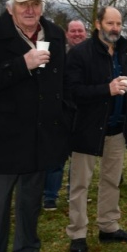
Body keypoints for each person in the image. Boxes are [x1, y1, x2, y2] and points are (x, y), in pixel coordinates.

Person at [0, 0, 68, 252]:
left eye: (36, 4)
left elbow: (59, 84)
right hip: (1, 140)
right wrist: (21, 64)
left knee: (30, 204)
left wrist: (62, 121)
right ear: (9, 6)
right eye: (23, 4)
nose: (30, 10)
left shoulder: (53, 33)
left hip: (40, 137)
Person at [65, 7, 127, 252]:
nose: (115, 28)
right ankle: (77, 234)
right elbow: (73, 92)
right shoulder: (80, 53)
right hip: (86, 129)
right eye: (110, 23)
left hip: (117, 129)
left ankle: (108, 226)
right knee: (80, 185)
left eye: (119, 23)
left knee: (111, 181)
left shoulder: (124, 51)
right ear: (98, 24)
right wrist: (105, 90)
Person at [43, 19, 88, 211]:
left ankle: (75, 193)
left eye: (80, 31)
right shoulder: (59, 52)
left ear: (86, 33)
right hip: (61, 111)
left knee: (79, 158)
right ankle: (50, 196)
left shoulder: (92, 54)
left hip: (85, 111)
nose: (77, 34)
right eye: (73, 31)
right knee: (56, 158)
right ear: (67, 34)